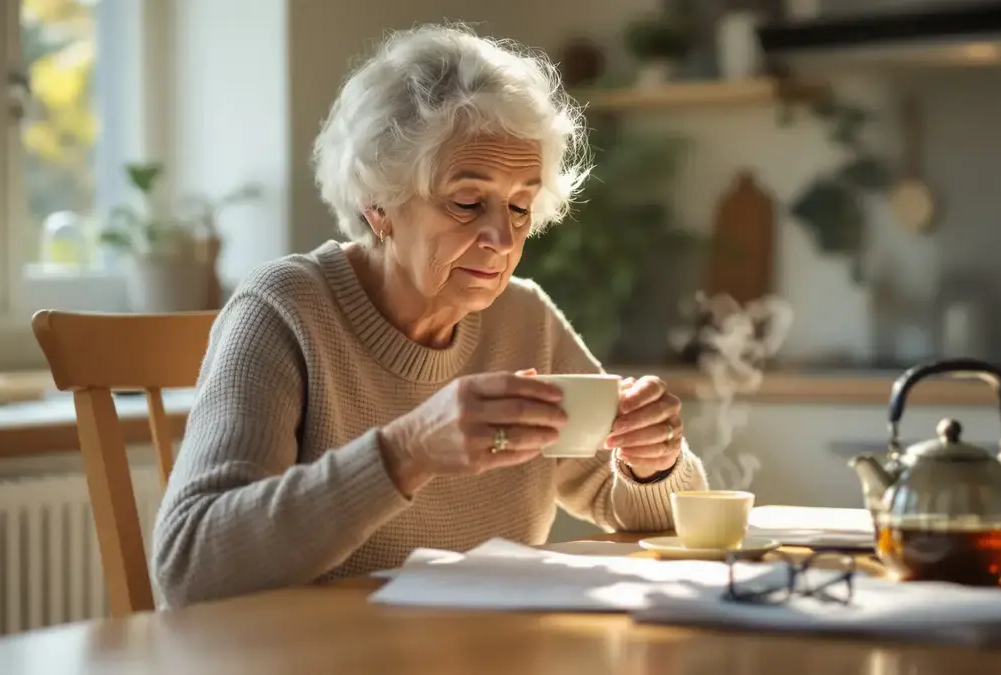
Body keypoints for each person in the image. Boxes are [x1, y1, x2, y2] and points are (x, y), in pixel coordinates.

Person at [152, 23, 707, 607]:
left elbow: (650, 515)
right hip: (319, 649)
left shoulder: (525, 319)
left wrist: (653, 464)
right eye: (467, 202)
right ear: (378, 204)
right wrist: (407, 451)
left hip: (480, 647)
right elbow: (191, 567)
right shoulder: (285, 310)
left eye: (520, 206)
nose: (502, 239)